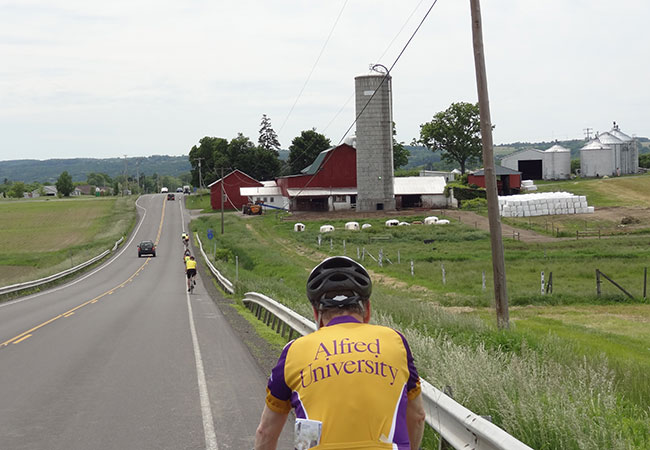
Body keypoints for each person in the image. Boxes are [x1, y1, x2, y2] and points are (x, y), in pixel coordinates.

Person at [254, 256, 426, 450]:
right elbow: (418, 416)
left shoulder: (294, 351)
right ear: (367, 310)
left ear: (316, 314)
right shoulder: (395, 342)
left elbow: (265, 432)